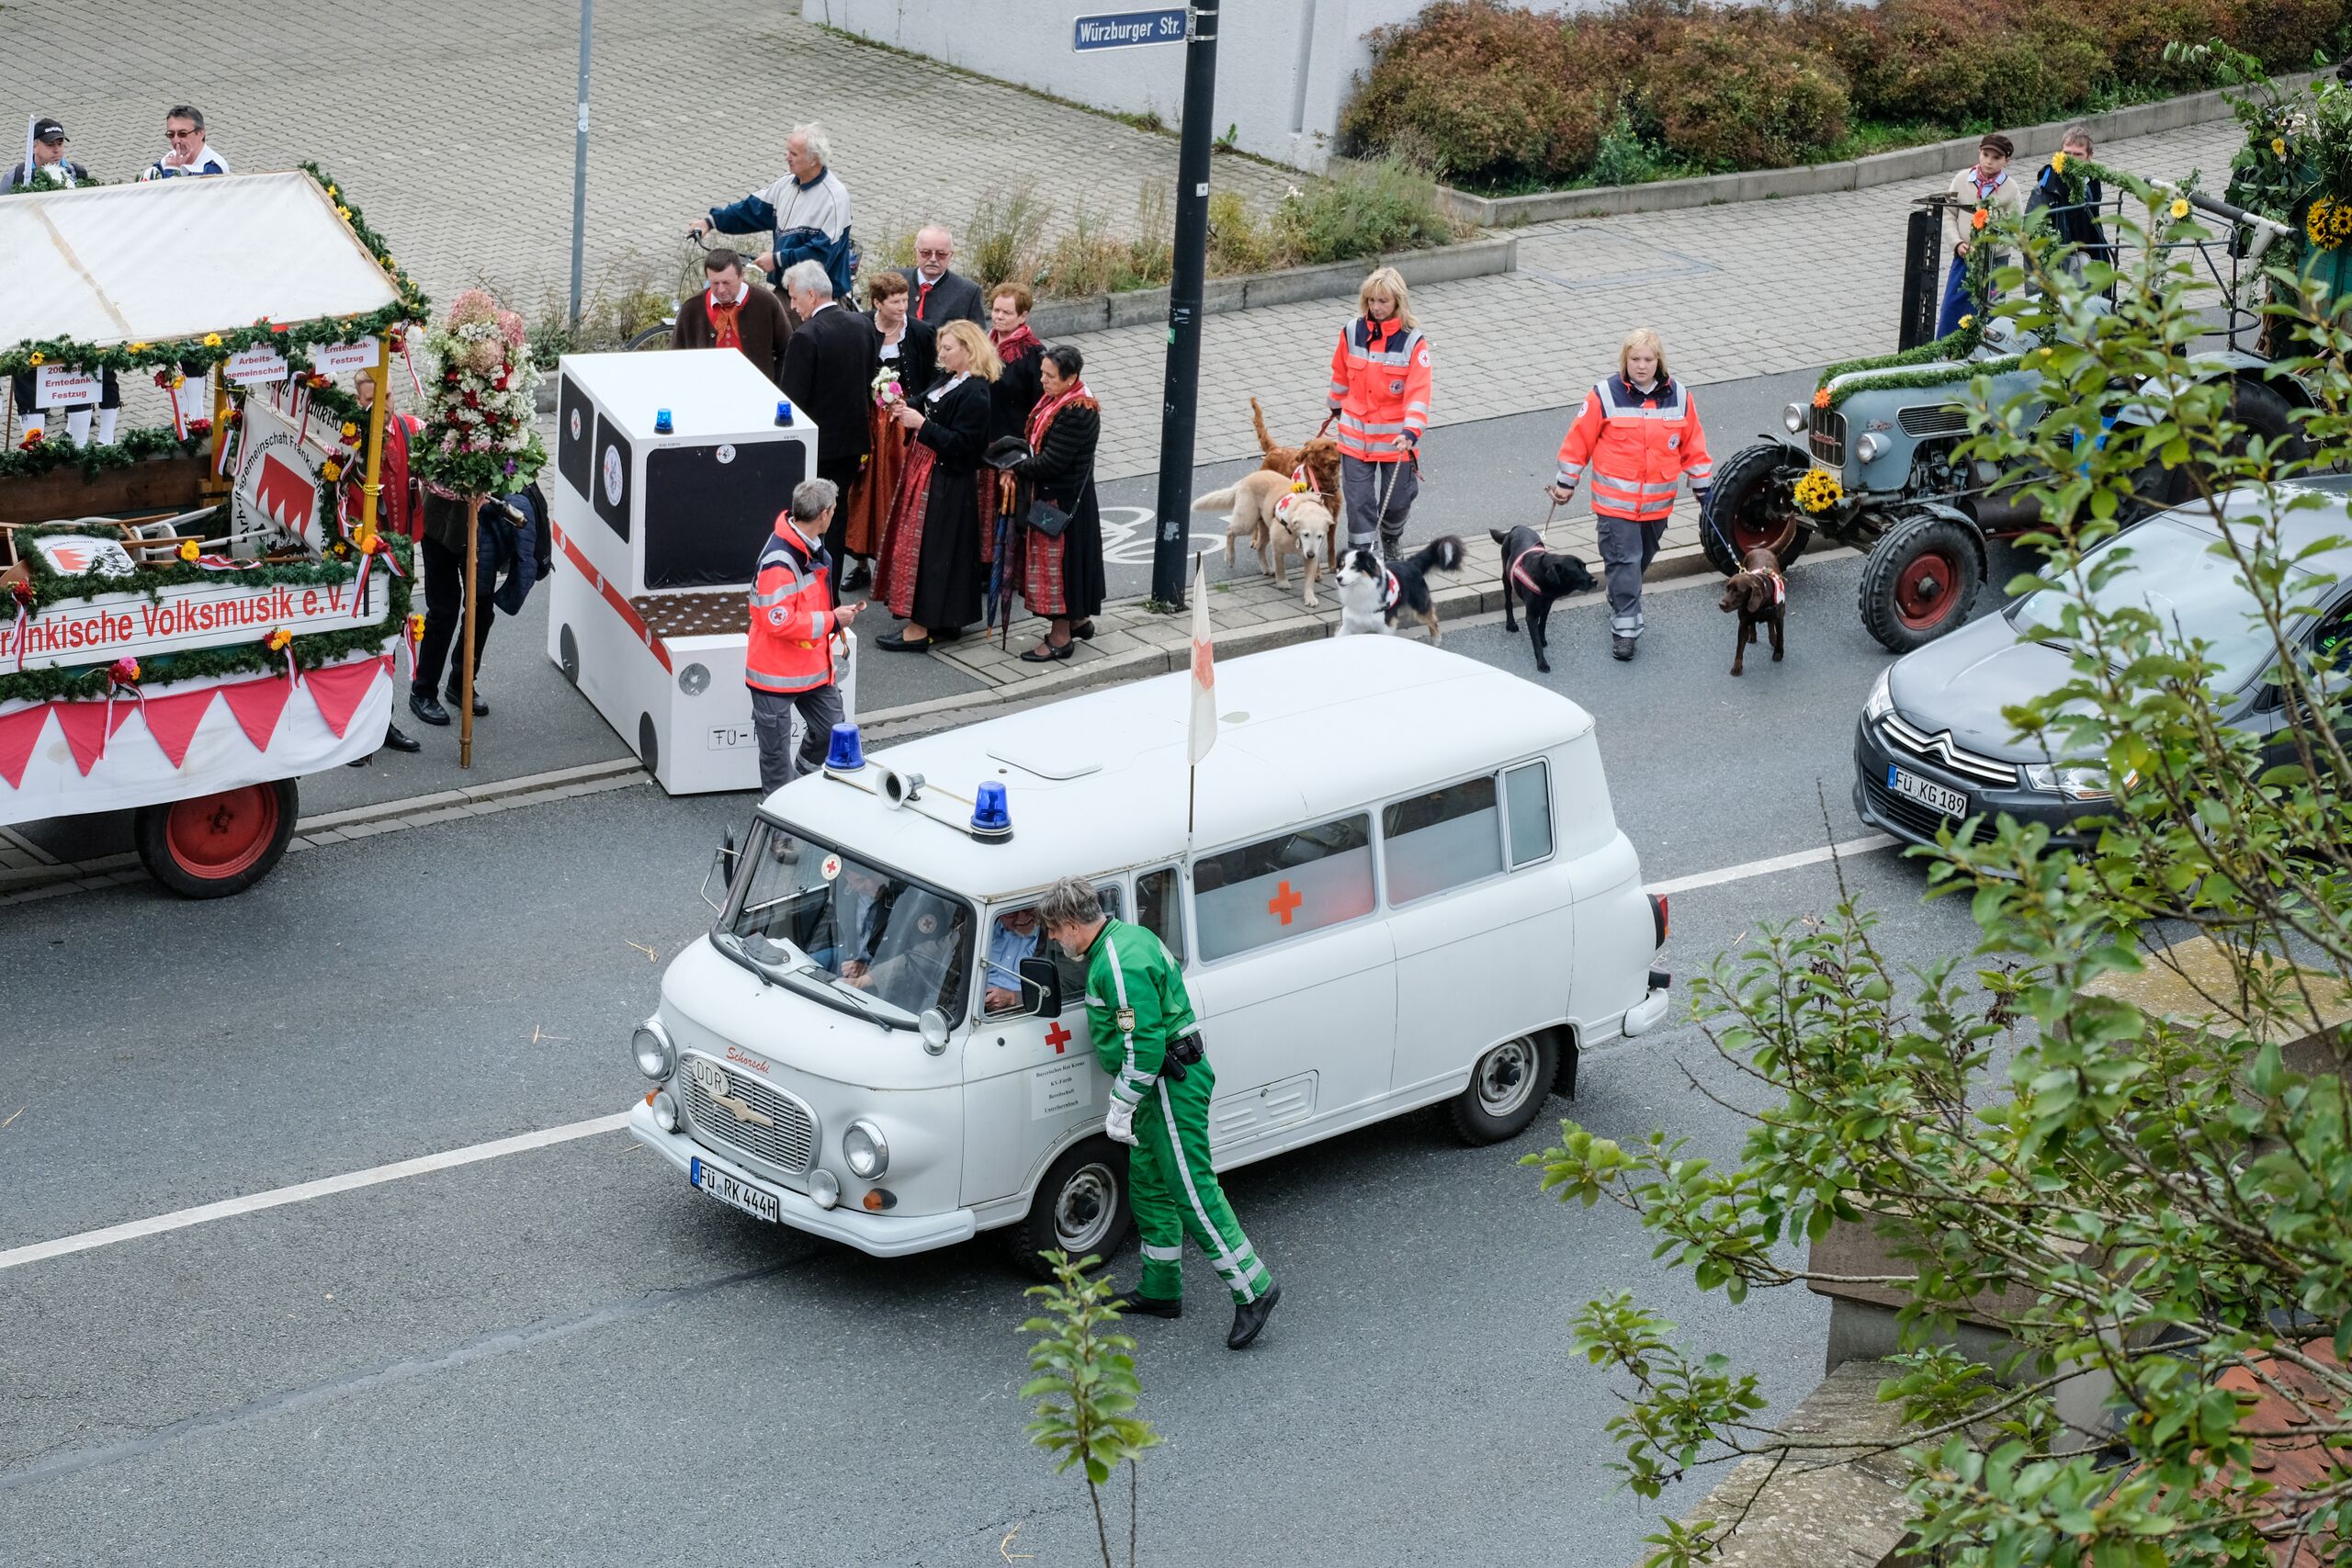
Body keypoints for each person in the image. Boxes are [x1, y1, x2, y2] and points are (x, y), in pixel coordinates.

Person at [1038, 876, 1282, 1349]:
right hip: (1163, 1085)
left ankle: (1254, 1287)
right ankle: (1161, 1288)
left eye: (1053, 930)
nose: (1053, 939)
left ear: (1071, 924)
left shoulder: (1117, 964)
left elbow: (1145, 1048)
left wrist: (1121, 1104)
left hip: (1167, 1085)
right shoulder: (1127, 940)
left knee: (1192, 1190)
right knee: (1149, 1186)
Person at [1548, 327, 1713, 663]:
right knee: (1626, 561)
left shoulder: (1680, 397)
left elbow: (1693, 445)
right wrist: (1566, 482)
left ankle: (1621, 593)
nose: (1641, 366)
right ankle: (1625, 629)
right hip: (1615, 506)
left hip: (1657, 507)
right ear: (1625, 360)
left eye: (1648, 359)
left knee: (1638, 561)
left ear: (1659, 361)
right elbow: (1579, 441)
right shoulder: (1604, 395)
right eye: (1635, 359)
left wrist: (1702, 485)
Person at [747, 479, 865, 846]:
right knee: (775, 758)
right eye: (835, 511)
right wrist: (832, 620)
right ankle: (780, 830)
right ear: (824, 515)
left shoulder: (807, 547)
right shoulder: (781, 561)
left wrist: (833, 619)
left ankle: (801, 787)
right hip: (774, 674)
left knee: (832, 731)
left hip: (809, 667)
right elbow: (777, 621)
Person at [873, 320, 997, 651]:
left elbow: (966, 446)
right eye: (941, 346)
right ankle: (947, 619)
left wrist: (923, 426)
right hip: (928, 473)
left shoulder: (976, 392)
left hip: (948, 482)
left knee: (933, 551)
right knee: (943, 551)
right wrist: (904, 404)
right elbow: (926, 400)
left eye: (948, 348)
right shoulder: (950, 378)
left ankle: (919, 629)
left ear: (969, 350)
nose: (941, 354)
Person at [1007, 344, 1105, 662]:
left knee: (1059, 572)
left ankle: (1060, 639)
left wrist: (1014, 466)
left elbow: (1052, 463)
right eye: (1043, 373)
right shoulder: (1059, 399)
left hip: (1061, 504)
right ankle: (1079, 621)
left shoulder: (1077, 412)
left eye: (1050, 376)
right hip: (1060, 499)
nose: (1043, 381)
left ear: (1071, 377)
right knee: (1070, 568)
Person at [1328, 265, 1432, 561]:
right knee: (1358, 504)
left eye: (1383, 301)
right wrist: (1336, 407)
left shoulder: (1413, 341)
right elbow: (1340, 374)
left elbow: (1419, 392)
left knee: (1397, 502)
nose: (1376, 307)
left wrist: (1411, 431)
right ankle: (1361, 560)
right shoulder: (1351, 331)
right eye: (1371, 300)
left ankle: (1391, 536)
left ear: (1398, 301)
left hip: (1395, 441)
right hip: (1355, 439)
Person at [780, 259, 880, 567]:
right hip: (852, 442)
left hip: (816, 447)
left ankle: (810, 581)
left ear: (811, 295)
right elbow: (869, 378)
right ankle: (831, 586)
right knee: (836, 515)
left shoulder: (806, 336)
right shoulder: (863, 325)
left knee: (808, 517)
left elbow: (792, 399)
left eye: (794, 298)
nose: (793, 306)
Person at [842, 271, 934, 592]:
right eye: (895, 302)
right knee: (863, 490)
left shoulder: (920, 332)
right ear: (877, 302)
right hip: (868, 421)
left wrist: (913, 404)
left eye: (905, 300)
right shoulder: (860, 327)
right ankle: (861, 564)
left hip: (903, 423)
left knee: (900, 487)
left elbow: (932, 377)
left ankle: (898, 562)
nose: (902, 307)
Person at [694, 123, 854, 296]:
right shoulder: (786, 184)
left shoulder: (835, 198)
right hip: (788, 290)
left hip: (819, 297)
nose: (787, 158)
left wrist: (777, 260)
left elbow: (821, 254)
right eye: (787, 151)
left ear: (813, 159)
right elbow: (750, 210)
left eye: (794, 154)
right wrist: (711, 222)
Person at [408, 490, 503, 728]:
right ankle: (423, 691)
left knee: (482, 609)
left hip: (482, 528)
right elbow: (425, 473)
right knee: (444, 611)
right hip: (439, 523)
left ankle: (461, 683)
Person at [1938, 133, 2028, 337]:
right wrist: (1956, 243)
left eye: (1996, 158)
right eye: (1985, 155)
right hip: (1965, 257)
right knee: (1954, 306)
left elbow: (2015, 226)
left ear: (2006, 161)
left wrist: (1990, 247)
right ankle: (1946, 347)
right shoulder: (1962, 180)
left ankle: (1986, 349)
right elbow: (1949, 215)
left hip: (1996, 262)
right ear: (1979, 153)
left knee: (1991, 309)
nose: (1989, 161)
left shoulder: (2010, 188)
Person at [673, 248, 793, 387]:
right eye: (715, 283)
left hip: (756, 391)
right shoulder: (692, 309)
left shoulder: (765, 302)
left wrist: (774, 386)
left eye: (727, 282)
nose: (721, 290)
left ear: (742, 276)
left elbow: (788, 349)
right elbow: (676, 358)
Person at [2030, 124, 2114, 279]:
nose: (2071, 159)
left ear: (2089, 156)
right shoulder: (2046, 188)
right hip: (2059, 263)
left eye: (2078, 154)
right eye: (2067, 153)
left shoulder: (2093, 180)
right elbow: (2031, 235)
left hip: (2088, 255)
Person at [988, 285, 1045, 443]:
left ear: (1022, 316)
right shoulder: (983, 344)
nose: (999, 317)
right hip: (983, 433)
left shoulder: (1033, 353)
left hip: (1013, 437)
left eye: (1007, 312)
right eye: (996, 310)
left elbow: (1040, 401)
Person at [901, 226, 985, 327]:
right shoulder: (895, 281)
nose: (933, 259)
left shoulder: (969, 292)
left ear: (951, 255)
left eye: (940, 254)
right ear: (916, 252)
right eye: (926, 253)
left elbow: (977, 334)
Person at [141, 105, 230, 180]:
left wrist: (172, 171)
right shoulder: (166, 162)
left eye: (183, 134)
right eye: (171, 134)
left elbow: (179, 195)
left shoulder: (213, 168)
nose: (176, 140)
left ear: (201, 133)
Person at [982, 906, 1044, 1011]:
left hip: (1021, 1012)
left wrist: (1013, 998)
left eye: (1028, 909)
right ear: (1000, 914)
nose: (1022, 919)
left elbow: (1062, 990)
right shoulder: (981, 923)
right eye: (1012, 913)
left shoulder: (1053, 936)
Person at [6, 116, 90, 191]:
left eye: (60, 144)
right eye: (50, 145)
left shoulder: (77, 174)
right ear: (34, 146)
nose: (57, 150)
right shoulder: (15, 177)